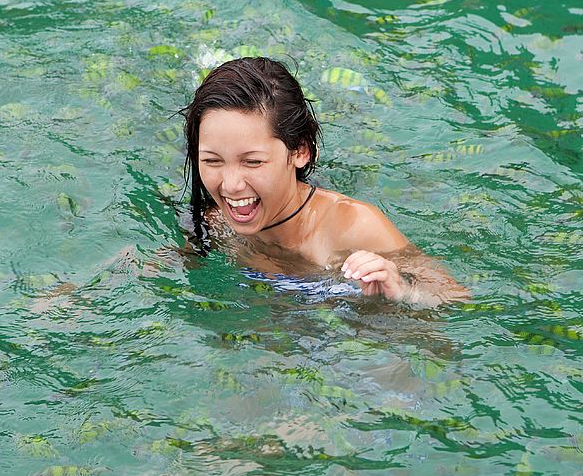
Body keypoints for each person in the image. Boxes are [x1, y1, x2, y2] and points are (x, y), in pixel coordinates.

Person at [180, 57, 469, 308]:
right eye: (212, 161)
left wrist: (404, 291)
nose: (230, 186)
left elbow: (456, 299)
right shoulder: (213, 224)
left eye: (253, 162)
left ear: (300, 151)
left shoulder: (354, 228)